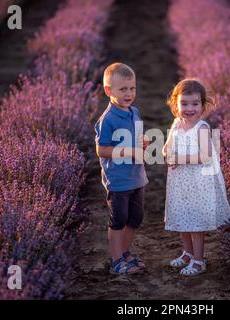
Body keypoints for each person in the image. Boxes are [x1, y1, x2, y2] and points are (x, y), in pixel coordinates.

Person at [163, 78, 230, 276]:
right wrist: (165, 153)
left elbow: (205, 156)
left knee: (195, 221)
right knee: (182, 217)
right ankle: (187, 252)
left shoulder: (201, 128)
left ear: (203, 105)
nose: (189, 108)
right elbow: (167, 146)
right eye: (184, 103)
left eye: (195, 103)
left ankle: (199, 259)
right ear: (176, 104)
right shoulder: (177, 124)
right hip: (179, 181)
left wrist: (180, 158)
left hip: (197, 181)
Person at [95, 62, 149, 275]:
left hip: (137, 176)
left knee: (135, 218)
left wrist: (142, 142)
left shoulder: (134, 112)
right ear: (109, 91)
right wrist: (128, 151)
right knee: (118, 219)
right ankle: (117, 260)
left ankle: (126, 253)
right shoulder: (107, 119)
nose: (129, 93)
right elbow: (102, 150)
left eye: (132, 88)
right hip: (118, 179)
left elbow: (135, 140)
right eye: (123, 89)